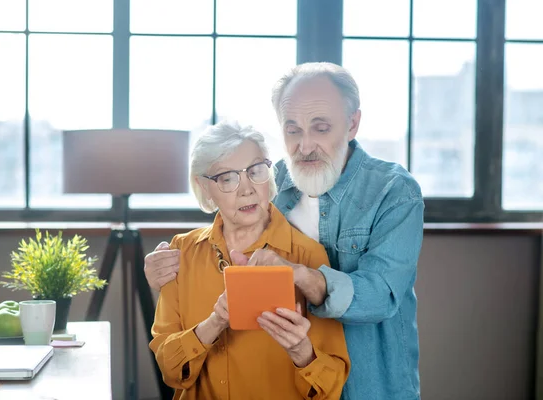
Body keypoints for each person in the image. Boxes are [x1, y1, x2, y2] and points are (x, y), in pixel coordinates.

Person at [145, 62, 425, 400]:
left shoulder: (394, 191)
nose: (305, 146)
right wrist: (168, 267)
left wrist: (303, 276)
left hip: (370, 385)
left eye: (321, 128)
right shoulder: (271, 179)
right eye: (293, 130)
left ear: (353, 124)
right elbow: (229, 209)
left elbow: (382, 295)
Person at [148, 120, 351, 400]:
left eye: (255, 171)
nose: (247, 189)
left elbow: (330, 389)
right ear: (204, 187)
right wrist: (215, 322)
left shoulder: (306, 256)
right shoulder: (181, 252)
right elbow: (170, 370)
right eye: (227, 178)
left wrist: (300, 351)